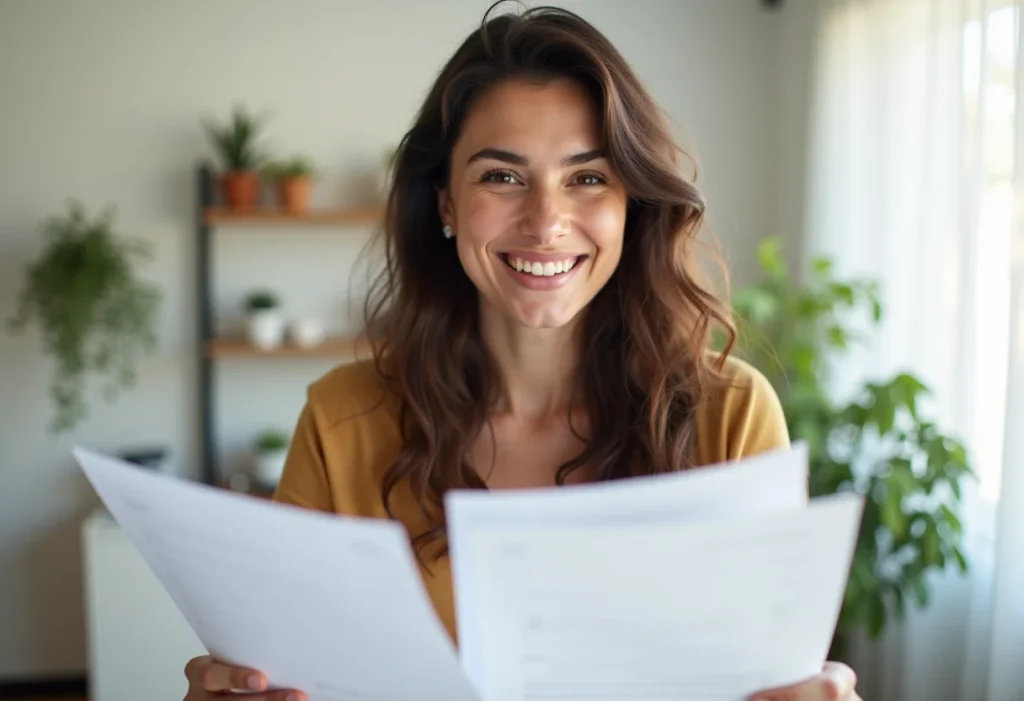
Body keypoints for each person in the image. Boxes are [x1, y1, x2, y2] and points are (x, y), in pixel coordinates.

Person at [184, 3, 860, 701]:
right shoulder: (339, 421)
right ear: (445, 202)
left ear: (633, 200)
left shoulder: (731, 417)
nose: (545, 221)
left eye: (588, 177)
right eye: (502, 177)